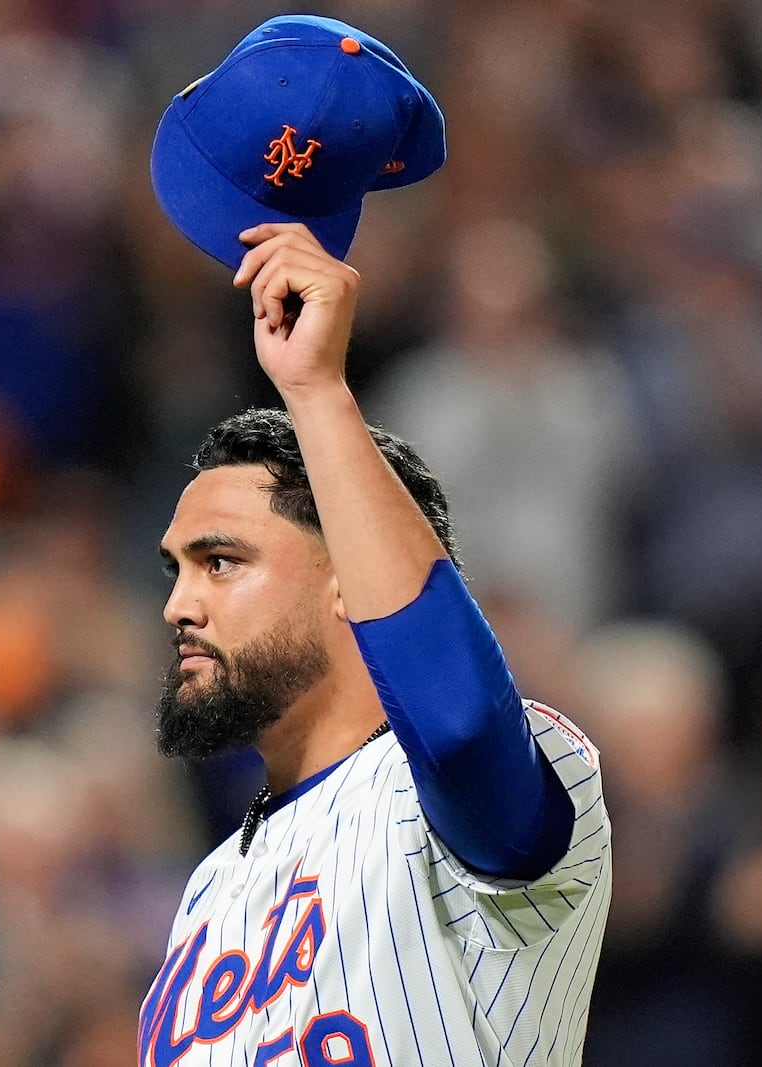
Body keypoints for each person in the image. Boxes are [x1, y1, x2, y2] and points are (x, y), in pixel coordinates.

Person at [140, 221, 611, 1067]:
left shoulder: (470, 785)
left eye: (221, 561)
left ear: (346, 579)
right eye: (177, 568)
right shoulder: (207, 894)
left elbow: (461, 724)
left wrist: (317, 390)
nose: (179, 603)